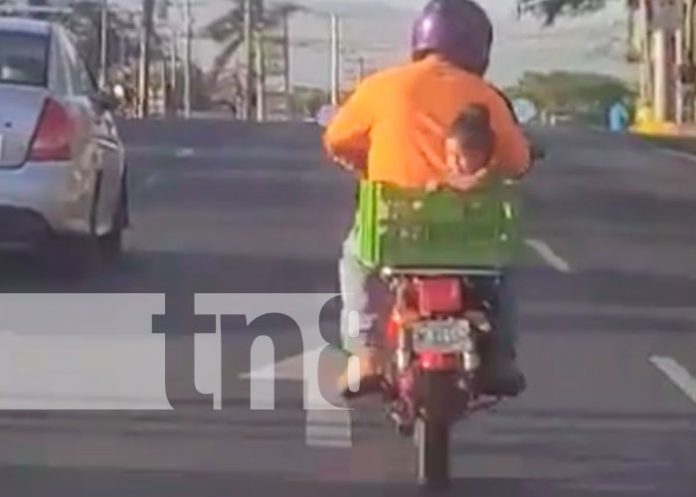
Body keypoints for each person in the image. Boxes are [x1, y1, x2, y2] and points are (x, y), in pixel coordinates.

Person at [323, 0, 531, 398]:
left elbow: (335, 139)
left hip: (397, 231)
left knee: (356, 259)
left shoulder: (383, 85)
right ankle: (501, 356)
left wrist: (365, 163)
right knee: (504, 269)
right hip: (472, 237)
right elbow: (517, 162)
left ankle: (365, 353)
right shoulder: (486, 96)